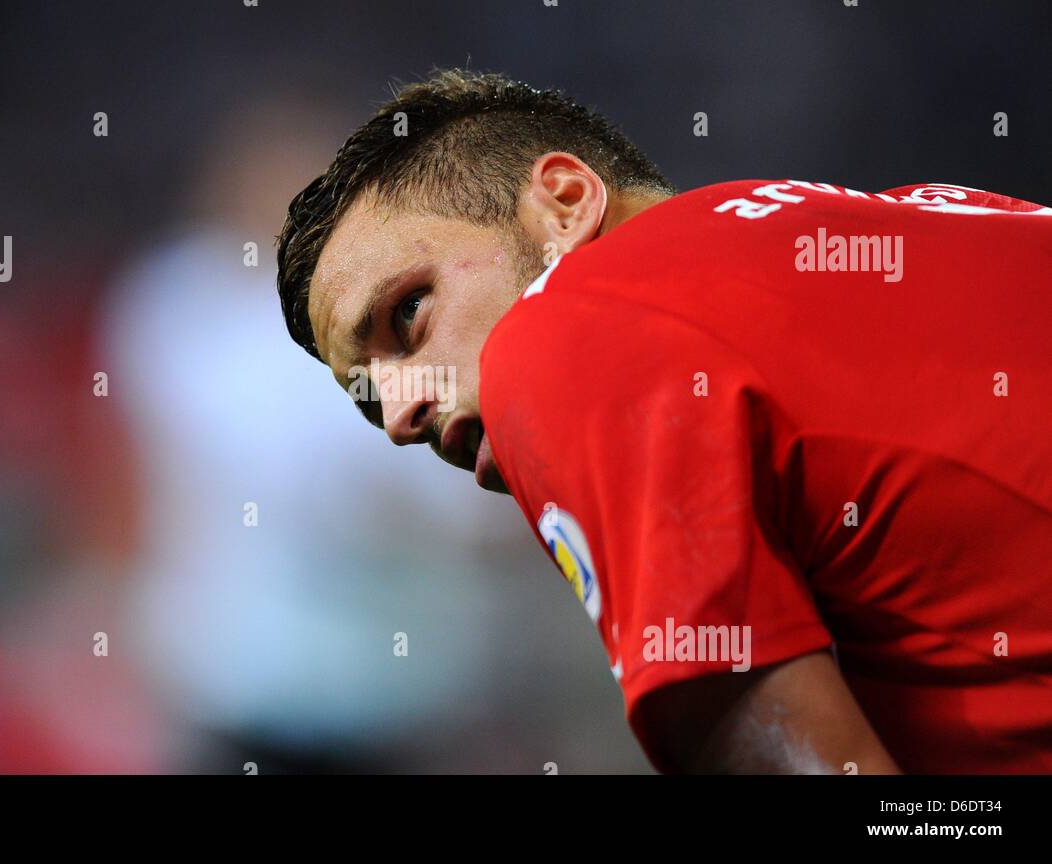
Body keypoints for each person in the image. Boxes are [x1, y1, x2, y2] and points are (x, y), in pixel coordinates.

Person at [275, 68, 1052, 773]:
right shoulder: (963, 218)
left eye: (409, 312)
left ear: (566, 205)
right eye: (370, 398)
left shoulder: (564, 333)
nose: (401, 416)